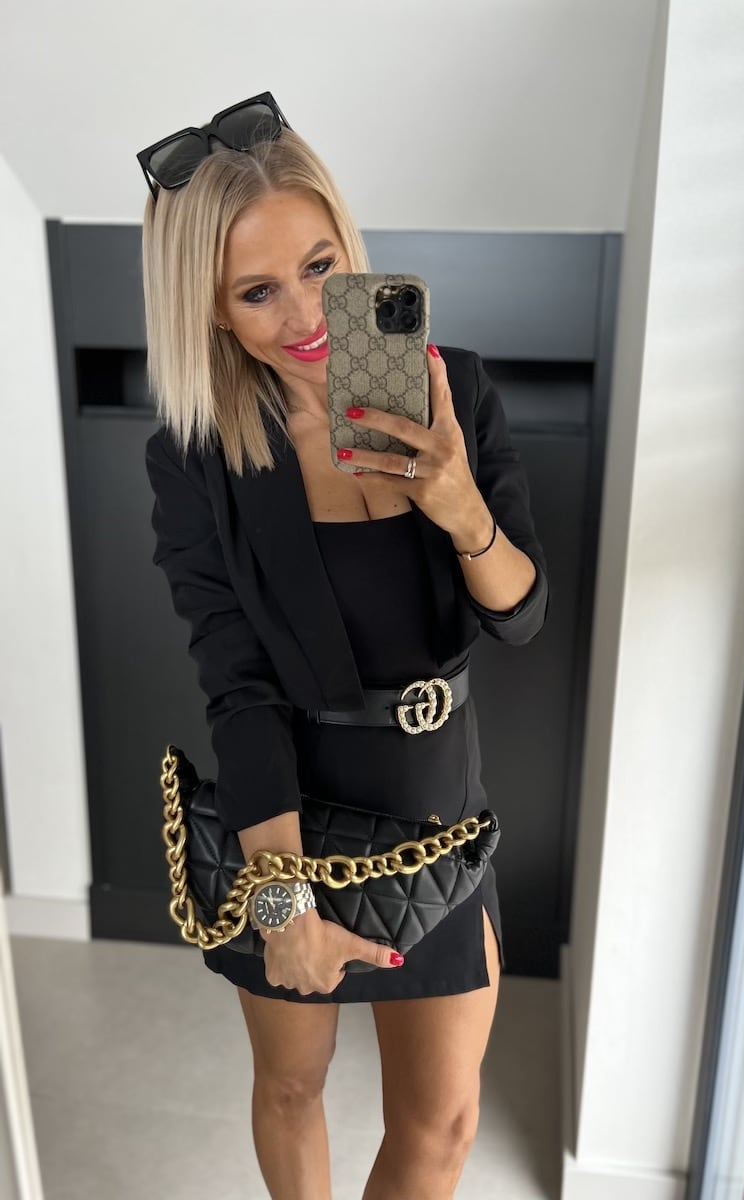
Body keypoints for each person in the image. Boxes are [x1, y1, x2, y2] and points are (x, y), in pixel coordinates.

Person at [140, 92, 548, 1200]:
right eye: (257, 291)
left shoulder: (451, 388)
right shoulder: (197, 456)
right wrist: (280, 903)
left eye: (321, 267)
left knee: (443, 1123)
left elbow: (520, 616)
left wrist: (460, 507)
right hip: (290, 812)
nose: (306, 313)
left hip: (440, 803)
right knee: (291, 1088)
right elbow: (237, 684)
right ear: (210, 310)